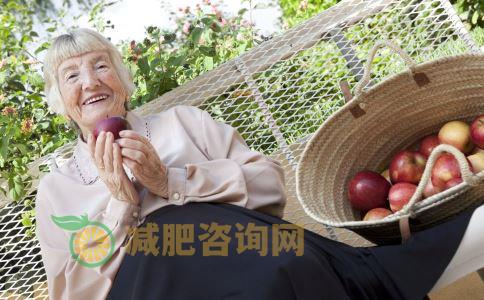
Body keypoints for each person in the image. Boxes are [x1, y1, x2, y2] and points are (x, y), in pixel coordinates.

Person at [35, 28, 484, 300]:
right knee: (158, 237)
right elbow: (74, 291)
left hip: (256, 264)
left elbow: (269, 187)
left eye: (101, 66)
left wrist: (170, 182)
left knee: (292, 277)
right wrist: (121, 206)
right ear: (61, 101)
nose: (90, 81)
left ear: (122, 79)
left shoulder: (183, 123)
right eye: (72, 75)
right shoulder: (58, 190)